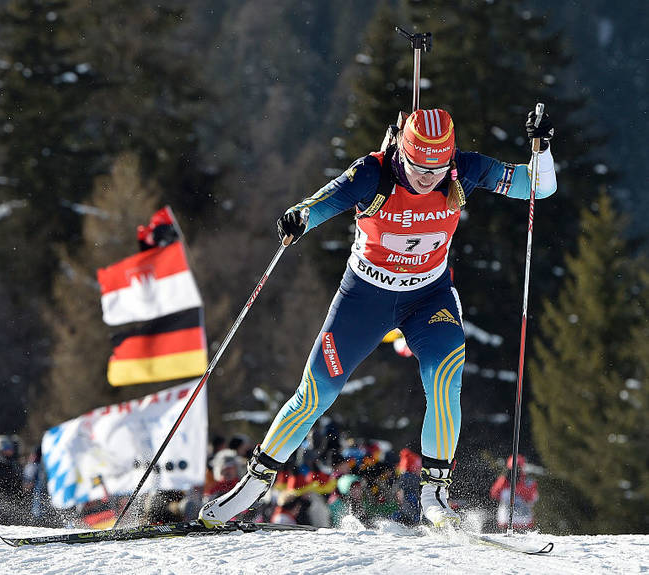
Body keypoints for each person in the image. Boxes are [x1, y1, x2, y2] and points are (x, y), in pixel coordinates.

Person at [199, 108, 557, 529]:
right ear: (403, 153)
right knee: (316, 393)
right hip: (365, 297)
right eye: (420, 166)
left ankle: (434, 496)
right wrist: (300, 217)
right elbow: (323, 201)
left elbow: (537, 187)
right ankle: (253, 486)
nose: (428, 177)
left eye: (437, 167)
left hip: (429, 297)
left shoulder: (465, 169)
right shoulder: (373, 173)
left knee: (445, 380)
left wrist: (543, 149)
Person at [490, 455, 539, 531]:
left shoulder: (528, 482)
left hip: (524, 521)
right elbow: (494, 493)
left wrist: (517, 490)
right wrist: (505, 486)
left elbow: (533, 498)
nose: (514, 472)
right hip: (506, 521)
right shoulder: (503, 480)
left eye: (517, 469)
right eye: (511, 469)